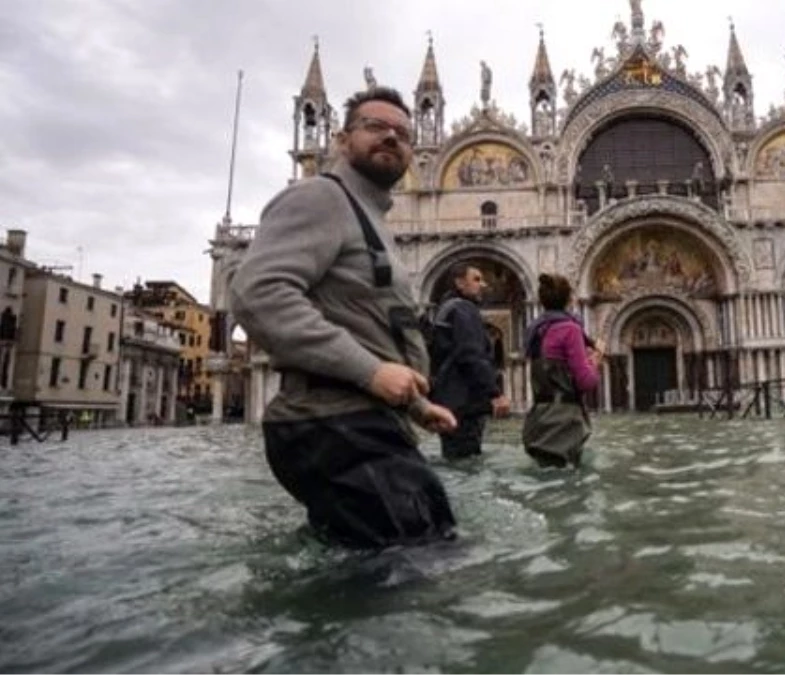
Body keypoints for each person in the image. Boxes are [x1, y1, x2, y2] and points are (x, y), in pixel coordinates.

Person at [229, 86, 460, 550]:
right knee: (412, 572)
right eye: (375, 127)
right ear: (340, 138)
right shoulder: (321, 197)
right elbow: (257, 293)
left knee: (414, 555)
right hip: (336, 425)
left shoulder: (369, 218)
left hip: (361, 424)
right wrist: (371, 372)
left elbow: (373, 324)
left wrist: (416, 405)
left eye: (402, 133)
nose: (391, 138)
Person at [428, 263, 511, 460]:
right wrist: (495, 393)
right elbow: (471, 355)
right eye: (476, 279)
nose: (483, 285)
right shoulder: (464, 310)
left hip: (447, 402)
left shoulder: (445, 309)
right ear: (459, 283)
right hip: (464, 404)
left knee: (454, 459)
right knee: (467, 462)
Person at [521, 274, 603, 468]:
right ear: (570, 299)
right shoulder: (570, 329)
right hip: (564, 423)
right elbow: (586, 381)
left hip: (538, 420)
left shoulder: (535, 330)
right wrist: (597, 359)